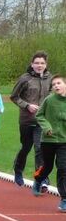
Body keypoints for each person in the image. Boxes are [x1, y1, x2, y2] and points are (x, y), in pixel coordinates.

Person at [10, 51, 52, 187]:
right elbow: (14, 97)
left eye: (42, 63)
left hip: (42, 121)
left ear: (46, 64)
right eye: (37, 63)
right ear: (32, 64)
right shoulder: (25, 78)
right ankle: (18, 170)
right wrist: (27, 105)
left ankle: (40, 177)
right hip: (27, 120)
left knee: (40, 148)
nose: (39, 65)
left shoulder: (50, 79)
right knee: (26, 147)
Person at [32, 75, 66, 212]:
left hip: (64, 141)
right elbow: (39, 115)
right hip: (48, 140)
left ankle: (64, 198)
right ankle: (38, 179)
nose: (56, 86)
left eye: (59, 83)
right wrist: (46, 127)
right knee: (47, 167)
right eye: (54, 84)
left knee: (63, 168)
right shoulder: (49, 100)